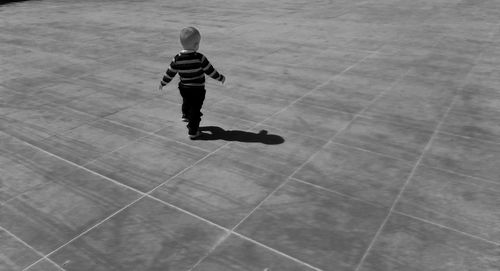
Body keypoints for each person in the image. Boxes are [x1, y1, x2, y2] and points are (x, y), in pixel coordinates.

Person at [159, 26, 226, 139]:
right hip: (197, 89)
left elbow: (170, 73)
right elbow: (210, 71)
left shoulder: (177, 59)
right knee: (195, 108)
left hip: (184, 87)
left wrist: (163, 83)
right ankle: (193, 131)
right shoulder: (199, 58)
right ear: (196, 45)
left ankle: (185, 115)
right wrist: (220, 77)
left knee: (187, 99)